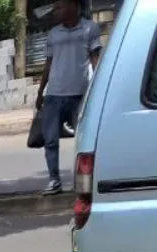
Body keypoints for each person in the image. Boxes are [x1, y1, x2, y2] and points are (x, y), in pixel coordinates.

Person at [36, 0, 103, 194]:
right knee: (50, 141)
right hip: (54, 95)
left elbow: (95, 58)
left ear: (73, 6)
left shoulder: (90, 28)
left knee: (83, 140)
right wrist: (41, 92)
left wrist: (98, 87)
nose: (55, 12)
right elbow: (48, 63)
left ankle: (82, 180)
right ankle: (54, 180)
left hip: (79, 95)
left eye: (60, 7)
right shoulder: (53, 34)